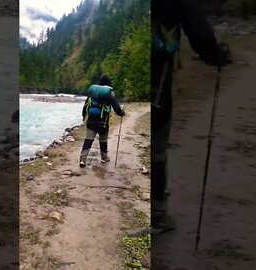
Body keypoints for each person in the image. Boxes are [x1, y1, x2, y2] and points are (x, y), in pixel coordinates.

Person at [129, 0, 232, 237]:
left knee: (149, 146)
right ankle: (158, 216)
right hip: (158, 86)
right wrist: (216, 54)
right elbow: (199, 31)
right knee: (156, 150)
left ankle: (150, 211)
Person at [80, 75, 125, 168]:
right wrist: (121, 113)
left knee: (88, 139)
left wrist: (84, 115)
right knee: (103, 140)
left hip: (91, 120)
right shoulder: (109, 93)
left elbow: (86, 105)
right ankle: (104, 158)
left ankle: (83, 159)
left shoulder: (93, 92)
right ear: (108, 83)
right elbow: (116, 107)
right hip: (103, 122)